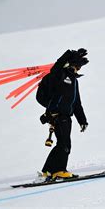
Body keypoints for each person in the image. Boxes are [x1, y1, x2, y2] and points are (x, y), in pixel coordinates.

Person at [38, 48, 89, 181]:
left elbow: (76, 103)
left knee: (62, 144)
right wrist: (68, 55)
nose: (78, 70)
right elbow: (57, 67)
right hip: (57, 115)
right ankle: (59, 171)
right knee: (65, 144)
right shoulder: (59, 75)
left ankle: (48, 171)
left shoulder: (74, 81)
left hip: (66, 116)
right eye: (77, 66)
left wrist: (82, 120)